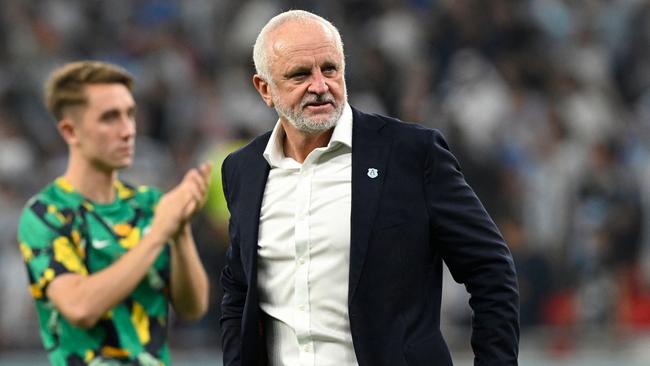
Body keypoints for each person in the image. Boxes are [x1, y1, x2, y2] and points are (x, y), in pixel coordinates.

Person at [220, 9, 519, 366]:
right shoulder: (243, 170)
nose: (320, 86)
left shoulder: (410, 153)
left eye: (329, 69)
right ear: (265, 89)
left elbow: (491, 270)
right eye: (300, 74)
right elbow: (238, 292)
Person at [16, 61, 211, 365]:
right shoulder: (46, 213)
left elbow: (192, 307)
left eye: (130, 114)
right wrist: (159, 232)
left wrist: (180, 229)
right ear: (70, 131)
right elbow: (79, 307)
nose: (128, 130)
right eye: (110, 118)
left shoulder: (149, 204)